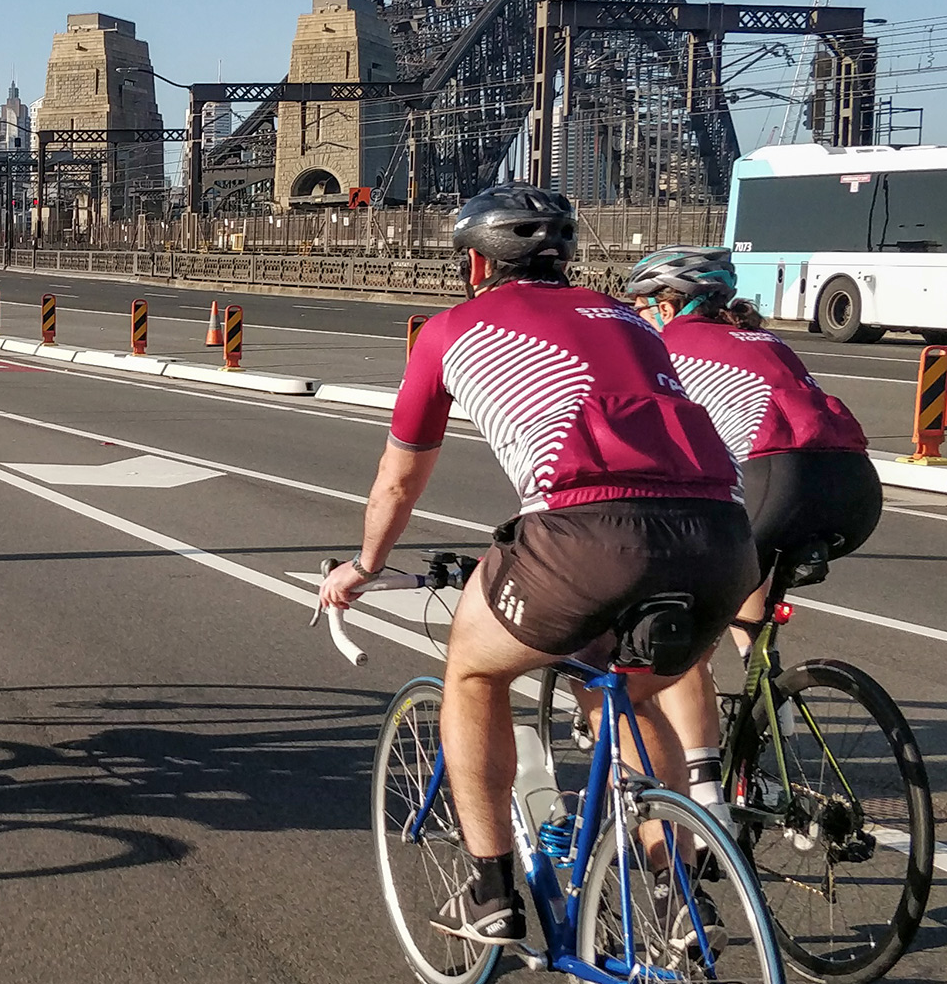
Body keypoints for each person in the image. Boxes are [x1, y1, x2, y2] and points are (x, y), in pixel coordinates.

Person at [318, 185, 755, 945]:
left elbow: (399, 479)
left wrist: (364, 565)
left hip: (586, 535)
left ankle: (489, 892)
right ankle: (676, 899)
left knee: (475, 671)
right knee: (626, 693)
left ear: (477, 266)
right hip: (721, 535)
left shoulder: (449, 331)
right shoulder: (628, 317)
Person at [623, 246, 881, 813]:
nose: (635, 314)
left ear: (666, 305)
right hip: (855, 489)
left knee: (679, 629)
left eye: (640, 303)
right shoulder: (760, 339)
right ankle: (773, 710)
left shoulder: (665, 344)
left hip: (779, 478)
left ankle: (706, 797)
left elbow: (648, 442)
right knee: (743, 588)